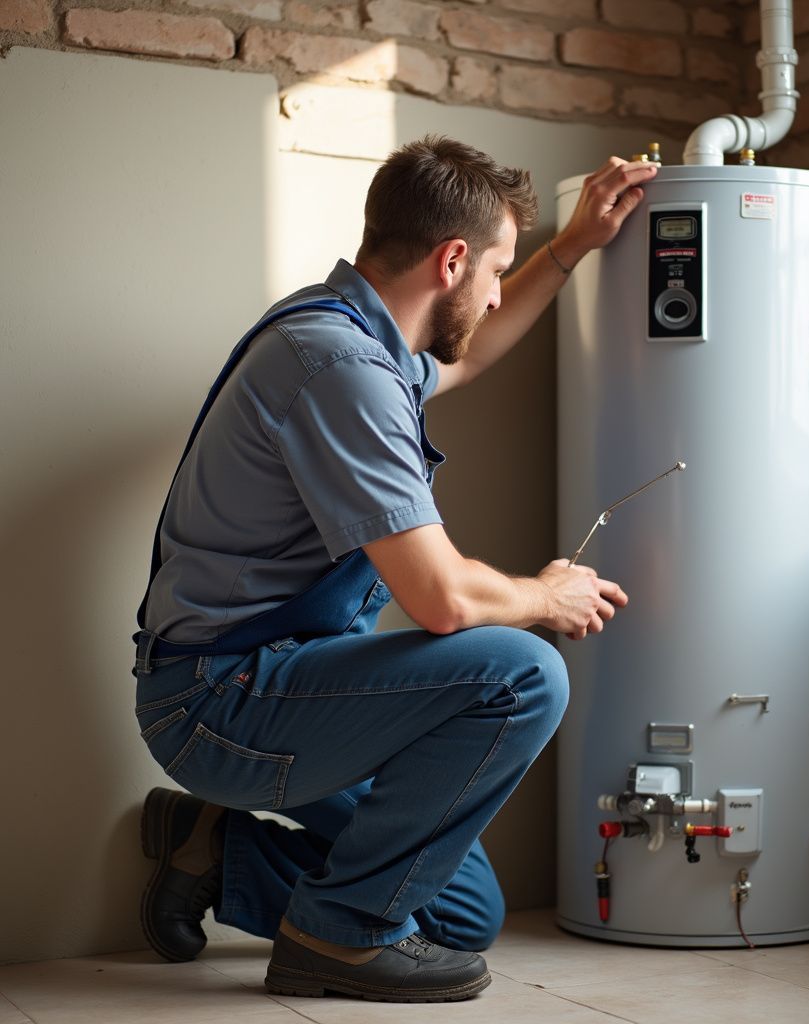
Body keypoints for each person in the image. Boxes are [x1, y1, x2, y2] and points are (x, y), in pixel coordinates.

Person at [133, 136, 657, 1003]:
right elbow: (443, 599)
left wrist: (567, 250)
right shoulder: (339, 368)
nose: (494, 294)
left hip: (284, 687)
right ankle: (330, 941)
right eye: (495, 270)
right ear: (452, 259)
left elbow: (470, 353)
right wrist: (545, 594)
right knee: (525, 671)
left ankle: (213, 852)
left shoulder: (352, 340)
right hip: (220, 700)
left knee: (460, 915)